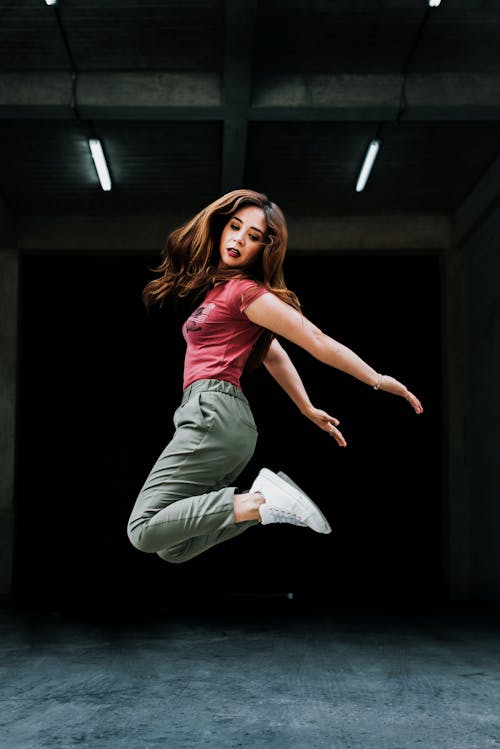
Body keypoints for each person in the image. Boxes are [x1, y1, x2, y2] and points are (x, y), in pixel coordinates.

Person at [127, 189, 423, 564]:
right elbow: (272, 353)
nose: (238, 240)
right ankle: (262, 506)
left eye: (253, 236)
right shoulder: (221, 292)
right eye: (235, 227)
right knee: (173, 545)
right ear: (221, 228)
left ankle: (258, 500)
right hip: (219, 420)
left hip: (212, 414)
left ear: (264, 248)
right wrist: (305, 406)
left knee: (142, 529)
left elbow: (314, 339)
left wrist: (377, 379)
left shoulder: (244, 292)